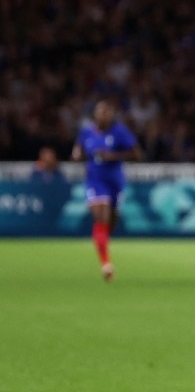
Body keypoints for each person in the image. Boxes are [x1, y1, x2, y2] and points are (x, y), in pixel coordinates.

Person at [71, 99, 141, 281]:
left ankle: (101, 241)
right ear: (95, 114)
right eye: (100, 111)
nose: (103, 115)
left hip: (115, 182)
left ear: (111, 115)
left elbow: (137, 154)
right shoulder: (86, 131)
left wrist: (114, 156)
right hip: (95, 180)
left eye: (107, 111)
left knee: (110, 222)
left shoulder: (119, 132)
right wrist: (77, 154)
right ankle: (106, 264)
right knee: (101, 213)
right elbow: (78, 148)